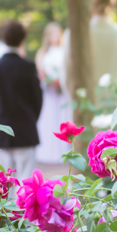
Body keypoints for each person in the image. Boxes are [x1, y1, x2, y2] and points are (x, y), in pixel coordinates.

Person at [0, 20, 43, 177]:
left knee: (5, 182)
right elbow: (37, 99)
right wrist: (31, 119)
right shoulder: (28, 67)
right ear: (23, 39)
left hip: (1, 128)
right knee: (25, 182)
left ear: (3, 39)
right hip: (25, 128)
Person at [63, 0, 117, 100]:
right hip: (115, 104)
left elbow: (66, 74)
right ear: (112, 5)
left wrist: (75, 100)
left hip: (84, 104)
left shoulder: (72, 34)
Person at [35, 22, 72, 164]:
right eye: (53, 34)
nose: (56, 37)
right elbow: (40, 71)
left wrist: (60, 80)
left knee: (63, 118)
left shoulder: (65, 51)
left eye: (58, 33)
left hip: (62, 91)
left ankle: (64, 151)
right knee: (49, 119)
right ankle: (48, 152)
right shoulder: (43, 52)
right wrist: (48, 79)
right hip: (49, 92)